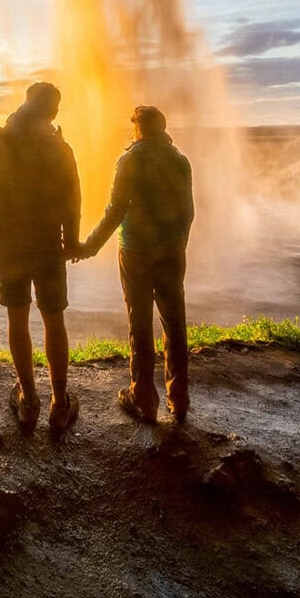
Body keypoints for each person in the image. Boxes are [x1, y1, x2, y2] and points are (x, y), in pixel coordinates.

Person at [0, 84, 82, 431]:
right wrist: (71, 241)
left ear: (25, 104)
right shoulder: (61, 149)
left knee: (18, 318)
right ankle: (60, 402)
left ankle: (28, 399)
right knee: (53, 319)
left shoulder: (3, 140)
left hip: (10, 241)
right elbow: (74, 199)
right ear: (53, 113)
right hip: (47, 243)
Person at [79, 105, 194, 424]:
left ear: (139, 129)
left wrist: (89, 246)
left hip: (136, 251)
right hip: (172, 250)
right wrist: (178, 244)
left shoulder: (130, 159)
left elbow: (116, 209)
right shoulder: (180, 160)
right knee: (175, 323)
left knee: (139, 321)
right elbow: (188, 210)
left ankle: (143, 398)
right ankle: (179, 398)